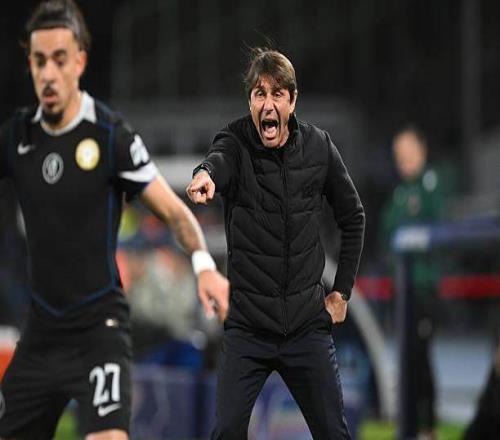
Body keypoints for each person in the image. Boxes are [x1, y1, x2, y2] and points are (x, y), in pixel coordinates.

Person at [0, 1, 229, 439]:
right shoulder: (17, 137)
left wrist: (204, 266)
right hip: (40, 336)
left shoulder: (110, 136)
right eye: (39, 61)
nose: (48, 73)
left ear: (80, 62)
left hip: (98, 334)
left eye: (59, 60)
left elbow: (175, 213)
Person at [187, 47, 365, 439]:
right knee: (226, 432)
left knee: (334, 434)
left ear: (292, 101)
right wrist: (205, 173)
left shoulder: (319, 147)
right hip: (248, 330)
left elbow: (353, 217)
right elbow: (218, 159)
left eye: (277, 94)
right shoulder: (234, 140)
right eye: (259, 94)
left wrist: (342, 293)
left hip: (306, 327)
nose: (268, 104)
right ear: (250, 102)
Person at [380, 126, 445, 440]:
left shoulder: (431, 186)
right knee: (405, 359)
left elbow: (436, 228)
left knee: (421, 358)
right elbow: (387, 231)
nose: (403, 159)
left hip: (423, 289)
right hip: (402, 289)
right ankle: (408, 425)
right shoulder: (400, 192)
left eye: (407, 151)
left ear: (422, 150)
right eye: (398, 154)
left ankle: (428, 427)